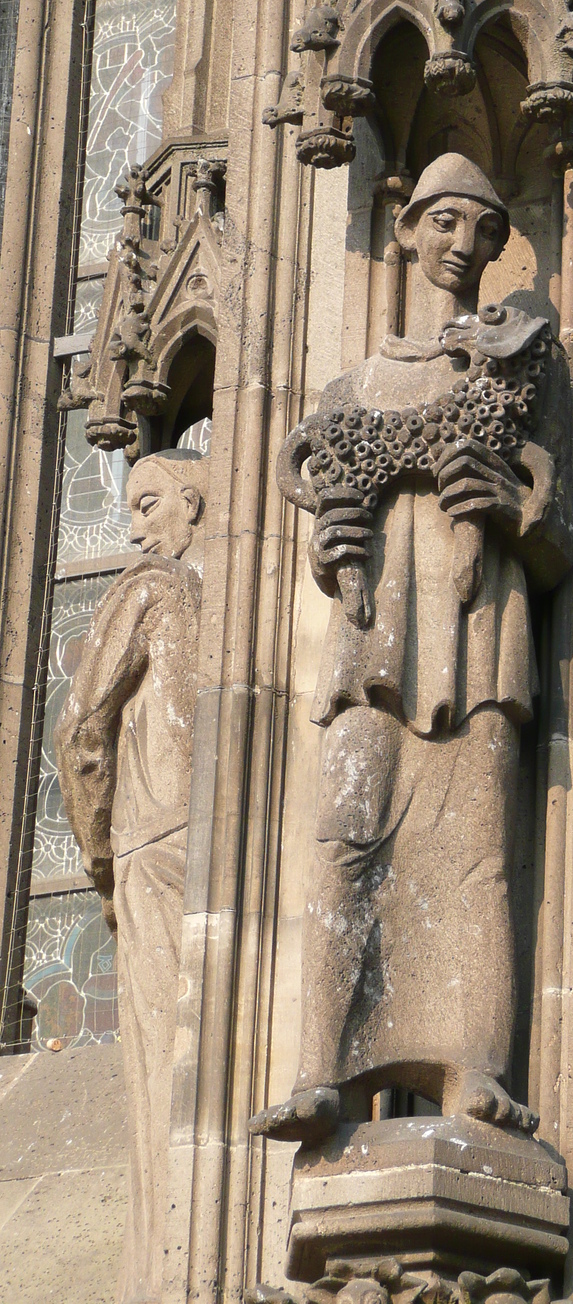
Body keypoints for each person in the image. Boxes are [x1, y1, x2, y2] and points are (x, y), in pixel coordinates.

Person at [252, 155, 573, 1146]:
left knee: (479, 853)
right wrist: (331, 544)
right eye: (440, 222)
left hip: (478, 642)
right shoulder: (356, 383)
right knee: (347, 840)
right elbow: (324, 507)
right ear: (406, 230)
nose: (460, 245)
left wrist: (514, 508)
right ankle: (323, 1070)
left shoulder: (517, 367)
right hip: (374, 643)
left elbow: (555, 531)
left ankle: (477, 1070)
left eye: (479, 226)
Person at [56, 449, 207, 1304]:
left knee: (160, 1069)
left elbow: (82, 720)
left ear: (193, 500)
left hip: (151, 842)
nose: (136, 523)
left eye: (149, 503)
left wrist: (99, 850)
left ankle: (166, 1269)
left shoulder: (155, 586)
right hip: (228, 847)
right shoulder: (246, 593)